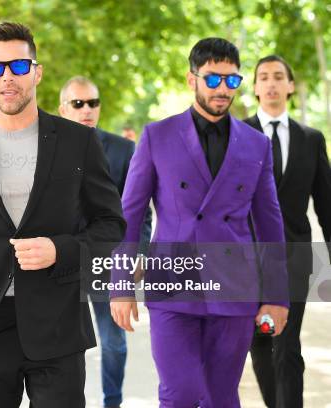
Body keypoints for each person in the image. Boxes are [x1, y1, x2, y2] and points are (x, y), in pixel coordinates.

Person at [0, 22, 125, 408]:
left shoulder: (78, 142)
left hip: (58, 327)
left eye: (18, 66)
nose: (7, 78)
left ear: (36, 72)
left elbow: (111, 224)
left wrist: (61, 249)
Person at [110, 38, 289, 407]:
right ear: (192, 79)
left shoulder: (256, 144)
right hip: (173, 286)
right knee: (182, 392)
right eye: (212, 79)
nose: (222, 89)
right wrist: (120, 283)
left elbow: (270, 224)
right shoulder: (156, 137)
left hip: (234, 289)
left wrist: (276, 296)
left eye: (231, 80)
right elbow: (129, 215)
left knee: (221, 397)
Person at [58, 75, 151, 408]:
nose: (87, 110)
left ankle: (113, 402)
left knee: (113, 344)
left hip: (110, 266)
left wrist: (139, 254)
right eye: (78, 103)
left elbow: (141, 213)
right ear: (62, 108)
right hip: (62, 265)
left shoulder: (125, 150)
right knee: (63, 349)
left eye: (93, 103)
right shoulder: (45, 150)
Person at [245, 55, 331, 408]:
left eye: (279, 76)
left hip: (294, 258)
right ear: (254, 88)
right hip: (246, 261)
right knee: (262, 343)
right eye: (263, 77)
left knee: (286, 345)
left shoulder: (311, 139)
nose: (271, 83)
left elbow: (327, 205)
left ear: (290, 86)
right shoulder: (236, 135)